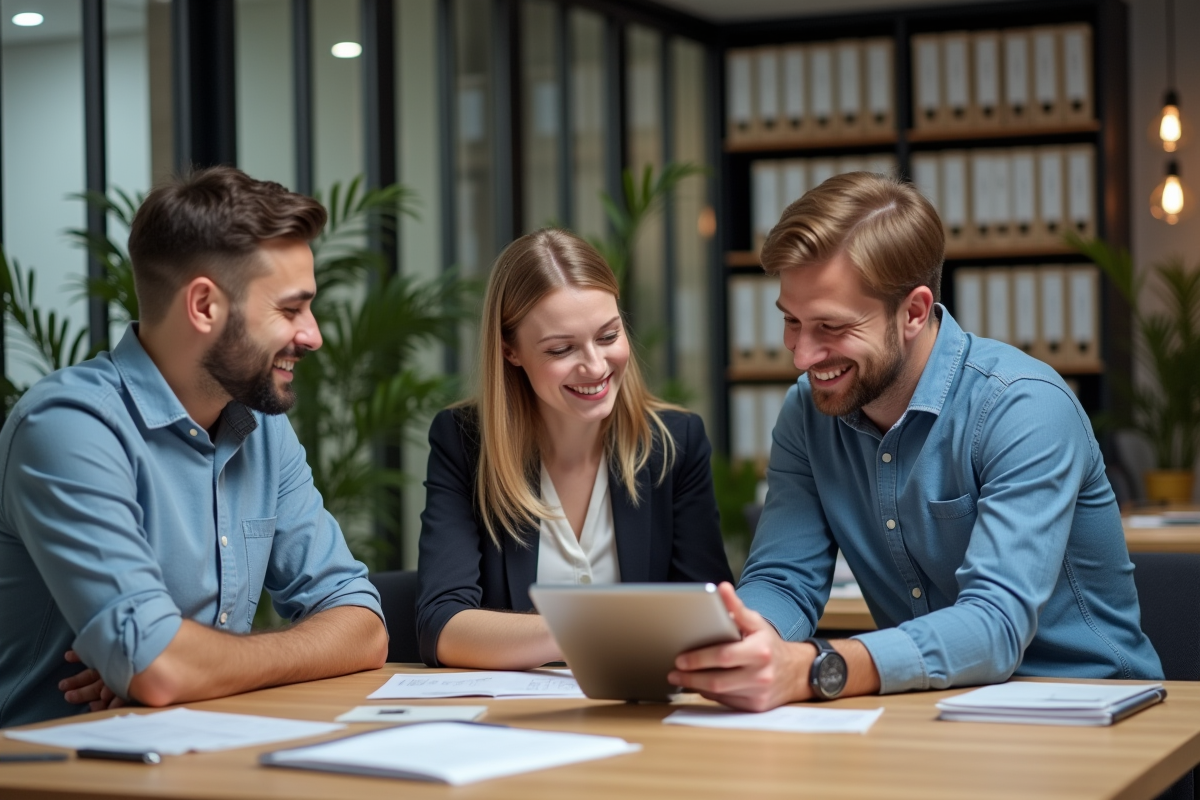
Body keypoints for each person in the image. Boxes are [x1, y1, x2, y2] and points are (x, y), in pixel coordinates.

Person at [671, 172, 1162, 711]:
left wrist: (817, 669)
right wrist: (748, 641)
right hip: (929, 707)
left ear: (913, 311)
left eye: (830, 327)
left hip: (1088, 709)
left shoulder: (1024, 406)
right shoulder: (806, 414)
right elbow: (784, 579)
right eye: (792, 321)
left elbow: (996, 624)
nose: (801, 355)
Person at [0, 167, 387, 727]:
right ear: (204, 306)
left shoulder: (261, 424)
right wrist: (163, 667)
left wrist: (191, 671)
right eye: (289, 308)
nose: (314, 334)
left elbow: (363, 625)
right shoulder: (68, 426)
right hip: (56, 773)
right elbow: (158, 668)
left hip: (199, 751)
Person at [417, 228, 732, 669]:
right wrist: (607, 631)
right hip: (512, 724)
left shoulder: (674, 444)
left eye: (608, 336)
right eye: (562, 348)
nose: (596, 366)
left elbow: (708, 619)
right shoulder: (464, 443)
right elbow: (442, 625)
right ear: (511, 351)